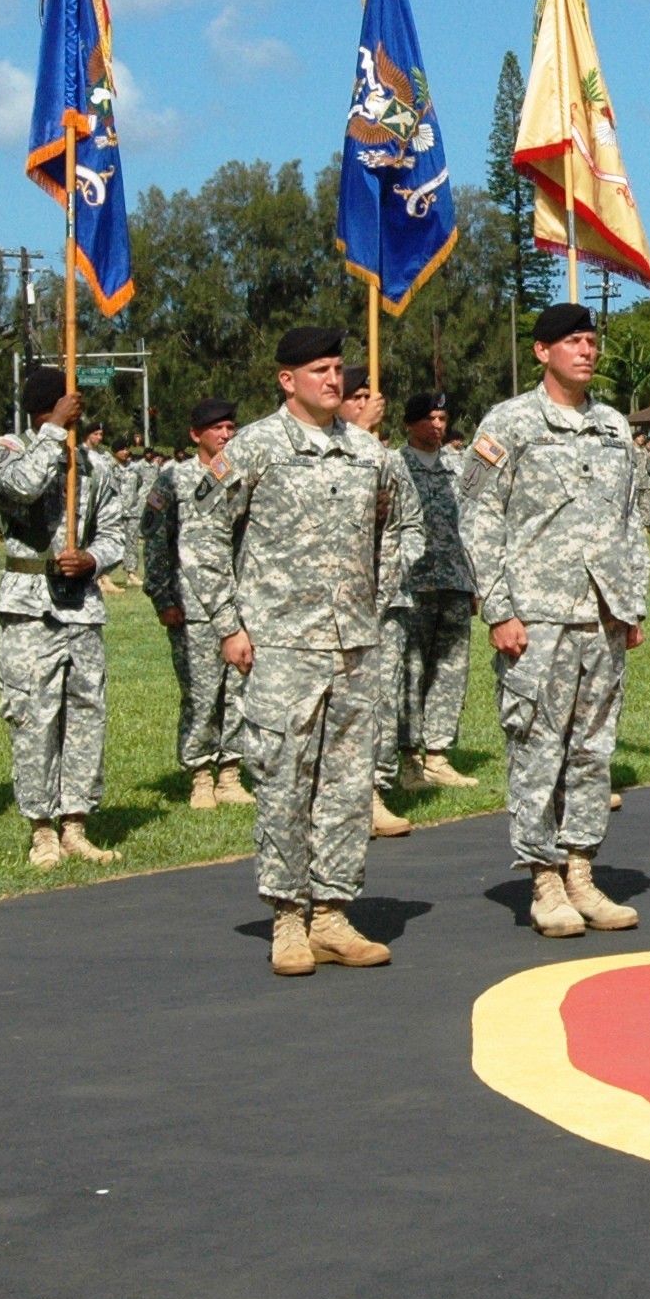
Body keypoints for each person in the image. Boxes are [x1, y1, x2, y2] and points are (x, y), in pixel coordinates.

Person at [186, 327, 418, 976]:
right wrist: (230, 625)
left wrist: (378, 600)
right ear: (287, 379)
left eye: (338, 368)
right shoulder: (257, 446)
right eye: (319, 369)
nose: (333, 379)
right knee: (286, 782)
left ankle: (333, 913)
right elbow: (204, 537)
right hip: (282, 645)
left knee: (346, 787)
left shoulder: (366, 452)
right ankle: (288, 918)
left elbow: (394, 529)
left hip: (353, 645)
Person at [462, 303, 650, 939]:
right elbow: (479, 518)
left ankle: (581, 870)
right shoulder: (511, 424)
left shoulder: (613, 427)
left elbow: (630, 522)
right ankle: (543, 880)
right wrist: (499, 608)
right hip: (537, 616)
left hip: (603, 614)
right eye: (572, 341)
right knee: (538, 746)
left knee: (593, 750)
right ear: (542, 352)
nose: (586, 350)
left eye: (592, 340)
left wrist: (633, 602)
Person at [0, 367, 130, 870]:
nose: (78, 408)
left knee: (86, 717)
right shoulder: (5, 449)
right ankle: (41, 828)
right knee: (34, 717)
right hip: (30, 606)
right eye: (68, 402)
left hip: (81, 606)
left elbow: (115, 532)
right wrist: (52, 435)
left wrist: (93, 559)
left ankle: (75, 823)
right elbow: (21, 488)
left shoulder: (96, 465)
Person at [139, 399, 252, 809]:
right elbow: (155, 543)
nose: (225, 435)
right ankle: (201, 773)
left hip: (240, 601)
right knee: (201, 694)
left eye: (230, 427)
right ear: (195, 434)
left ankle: (231, 771)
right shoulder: (174, 480)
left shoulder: (240, 476)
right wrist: (163, 597)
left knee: (239, 689)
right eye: (217, 428)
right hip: (192, 606)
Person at [389, 390, 481, 790]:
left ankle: (439, 755)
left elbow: (476, 524)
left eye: (443, 418)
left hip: (455, 580)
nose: (438, 426)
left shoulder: (458, 467)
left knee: (450, 669)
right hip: (413, 583)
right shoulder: (394, 465)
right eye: (429, 419)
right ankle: (408, 758)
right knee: (411, 669)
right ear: (409, 424)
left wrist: (476, 582)